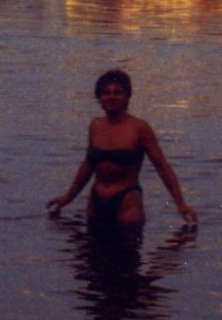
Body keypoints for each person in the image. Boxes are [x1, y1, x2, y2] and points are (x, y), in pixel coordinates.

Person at [47, 68, 199, 228]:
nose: (111, 96)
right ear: (99, 98)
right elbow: (88, 165)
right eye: (106, 92)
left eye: (118, 92)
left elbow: (162, 166)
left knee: (127, 248)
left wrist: (181, 204)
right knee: (90, 250)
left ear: (127, 97)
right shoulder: (95, 126)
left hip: (127, 201)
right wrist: (68, 197)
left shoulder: (139, 128)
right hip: (96, 201)